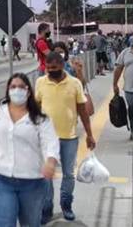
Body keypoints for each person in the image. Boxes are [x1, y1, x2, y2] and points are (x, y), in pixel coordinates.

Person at [0, 73, 59, 227]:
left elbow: (51, 143)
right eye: (13, 87)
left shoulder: (41, 118)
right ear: (8, 89)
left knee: (31, 223)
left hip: (32, 182)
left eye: (21, 87)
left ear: (28, 91)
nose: (17, 90)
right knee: (3, 223)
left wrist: (51, 162)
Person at [36, 52, 95, 223]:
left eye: (54, 68)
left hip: (69, 137)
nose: (50, 71)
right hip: (46, 138)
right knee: (46, 174)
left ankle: (66, 204)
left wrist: (90, 135)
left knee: (68, 174)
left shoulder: (74, 83)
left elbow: (83, 111)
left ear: (62, 66)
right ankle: (46, 209)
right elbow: (36, 108)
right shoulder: (40, 82)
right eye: (48, 68)